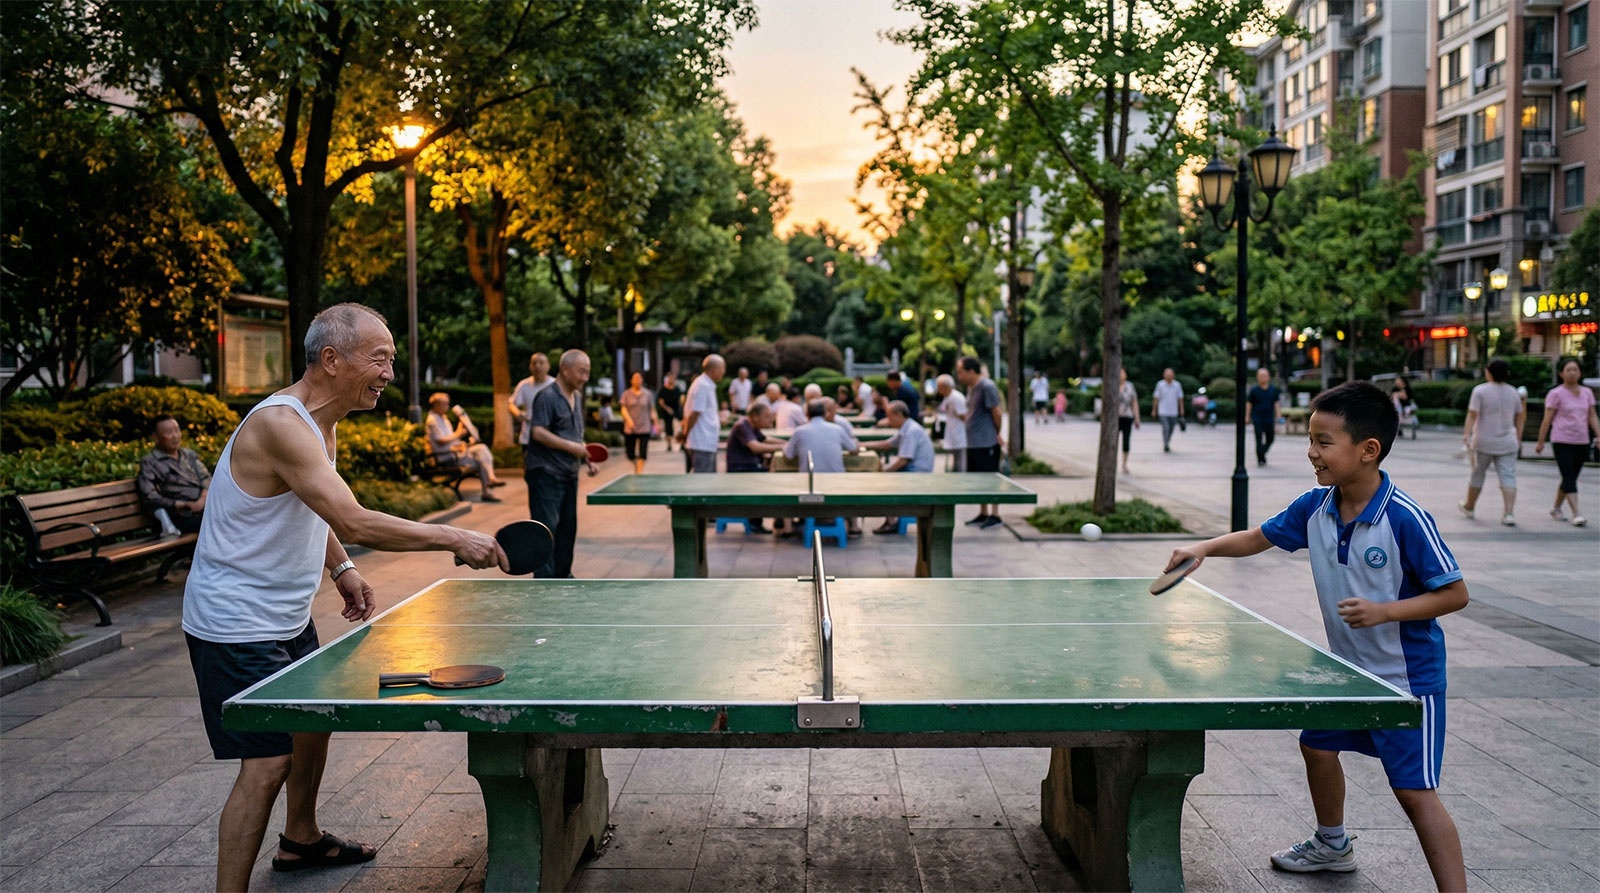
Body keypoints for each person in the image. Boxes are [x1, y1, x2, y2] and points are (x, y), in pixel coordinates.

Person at [182, 303, 505, 891]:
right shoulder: (281, 423)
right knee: (268, 762)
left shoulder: (319, 423)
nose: (389, 372)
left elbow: (315, 506)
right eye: (379, 358)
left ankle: (300, 841)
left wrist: (342, 568)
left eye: (391, 359)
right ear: (331, 360)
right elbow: (352, 516)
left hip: (281, 614)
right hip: (234, 622)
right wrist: (454, 535)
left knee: (312, 721)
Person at [1165, 381, 1468, 890]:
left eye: (1324, 442)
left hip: (1406, 682)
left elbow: (1455, 593)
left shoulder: (1405, 519)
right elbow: (1259, 537)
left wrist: (1384, 611)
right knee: (1317, 745)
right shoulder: (1315, 507)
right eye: (1311, 440)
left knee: (1414, 792)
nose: (1312, 452)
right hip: (1350, 673)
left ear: (1368, 450)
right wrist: (1204, 548)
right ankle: (1332, 845)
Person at [525, 350, 601, 578]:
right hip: (546, 474)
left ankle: (563, 575)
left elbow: (574, 436)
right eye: (582, 371)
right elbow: (538, 432)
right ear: (565, 369)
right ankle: (545, 583)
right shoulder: (546, 396)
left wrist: (586, 456)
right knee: (546, 530)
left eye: (588, 372)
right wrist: (573, 448)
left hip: (569, 473)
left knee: (568, 529)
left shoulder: (576, 397)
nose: (586, 377)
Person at [1459, 358, 1525, 526]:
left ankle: (1470, 506)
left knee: (1477, 473)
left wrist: (1466, 434)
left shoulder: (1480, 391)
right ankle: (1509, 513)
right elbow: (1520, 417)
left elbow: (1473, 414)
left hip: (1483, 441)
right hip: (1508, 441)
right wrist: (1519, 436)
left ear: (1488, 372)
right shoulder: (1514, 393)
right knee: (1508, 476)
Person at [1534, 358, 1600, 527]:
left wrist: (1598, 435)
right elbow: (1547, 419)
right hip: (1561, 439)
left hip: (1582, 440)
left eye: (1575, 369)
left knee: (1570, 477)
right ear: (1561, 373)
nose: (1572, 373)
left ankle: (1556, 508)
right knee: (1569, 475)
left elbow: (1592, 415)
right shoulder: (1556, 394)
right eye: (1568, 370)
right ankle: (1576, 513)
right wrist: (1541, 441)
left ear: (1580, 372)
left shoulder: (1586, 393)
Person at [866, 400, 936, 533]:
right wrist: (862, 445)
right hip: (912, 470)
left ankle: (891, 521)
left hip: (918, 474)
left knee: (883, 483)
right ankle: (891, 518)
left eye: (889, 416)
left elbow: (903, 460)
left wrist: (885, 473)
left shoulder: (911, 431)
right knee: (883, 477)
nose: (887, 420)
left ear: (898, 415)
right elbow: (888, 444)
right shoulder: (906, 427)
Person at [137, 414, 212, 534]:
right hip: (178, 517)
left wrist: (202, 500)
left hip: (204, 509)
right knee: (217, 523)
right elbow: (149, 496)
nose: (175, 436)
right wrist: (182, 504)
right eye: (168, 432)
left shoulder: (189, 455)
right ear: (155, 437)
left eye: (177, 430)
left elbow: (206, 478)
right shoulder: (150, 462)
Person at [426, 392, 503, 503]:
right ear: (436, 405)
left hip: (453, 453)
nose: (448, 406)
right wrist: (459, 433)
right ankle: (487, 489)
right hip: (446, 457)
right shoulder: (432, 421)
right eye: (445, 404)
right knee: (480, 459)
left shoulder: (443, 419)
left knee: (481, 449)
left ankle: (491, 479)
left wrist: (462, 442)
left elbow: (450, 439)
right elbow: (442, 441)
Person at [956, 356, 1004, 528]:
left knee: (990, 478)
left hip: (986, 442)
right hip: (974, 442)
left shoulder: (987, 386)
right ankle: (983, 513)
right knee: (979, 480)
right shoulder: (971, 388)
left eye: (961, 372)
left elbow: (996, 413)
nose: (959, 376)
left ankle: (995, 514)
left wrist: (996, 434)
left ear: (971, 371)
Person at [727, 401, 785, 533]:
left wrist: (789, 443)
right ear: (755, 417)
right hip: (741, 471)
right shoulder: (742, 426)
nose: (770, 419)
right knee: (777, 481)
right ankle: (759, 521)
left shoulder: (752, 427)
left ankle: (780, 519)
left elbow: (765, 439)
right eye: (766, 416)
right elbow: (755, 447)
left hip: (750, 468)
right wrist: (784, 447)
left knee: (778, 477)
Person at [678, 354, 726, 473]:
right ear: (714, 369)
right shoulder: (703, 385)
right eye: (722, 368)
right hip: (701, 442)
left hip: (706, 441)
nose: (723, 372)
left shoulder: (706, 384)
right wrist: (685, 434)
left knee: (708, 480)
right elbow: (694, 413)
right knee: (704, 481)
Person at [783, 399, 848, 474]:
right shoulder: (838, 429)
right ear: (825, 413)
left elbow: (787, 456)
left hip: (809, 481)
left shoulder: (799, 431)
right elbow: (854, 448)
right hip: (837, 480)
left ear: (807, 414)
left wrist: (786, 446)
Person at [508, 352, 553, 447]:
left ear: (548, 366)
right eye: (534, 363)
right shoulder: (524, 385)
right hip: (528, 437)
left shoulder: (555, 385)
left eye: (541, 363)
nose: (537, 366)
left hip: (551, 437)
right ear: (530, 367)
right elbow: (511, 404)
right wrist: (518, 413)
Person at [618, 371, 657, 475]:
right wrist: (629, 420)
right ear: (631, 380)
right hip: (630, 428)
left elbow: (652, 409)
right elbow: (623, 409)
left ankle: (639, 473)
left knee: (643, 453)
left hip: (644, 426)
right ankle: (636, 466)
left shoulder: (648, 394)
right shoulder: (626, 394)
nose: (637, 380)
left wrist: (656, 422)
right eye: (635, 378)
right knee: (630, 453)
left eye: (639, 378)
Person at [1247, 368, 1282, 466]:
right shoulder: (1254, 390)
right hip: (1257, 417)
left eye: (1265, 376)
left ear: (1269, 377)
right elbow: (1249, 404)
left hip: (1269, 418)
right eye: (1261, 376)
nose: (1263, 378)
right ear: (1257, 378)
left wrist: (1278, 417)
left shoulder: (1273, 390)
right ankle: (1260, 458)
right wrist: (1247, 416)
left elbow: (1276, 404)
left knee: (1270, 438)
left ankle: (1261, 453)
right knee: (1258, 439)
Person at [936, 374, 968, 472]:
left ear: (944, 387)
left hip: (959, 434)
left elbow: (964, 416)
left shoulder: (956, 398)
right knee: (955, 460)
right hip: (953, 433)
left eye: (939, 387)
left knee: (960, 462)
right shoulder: (948, 397)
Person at [1152, 367, 1185, 453]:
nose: (1169, 376)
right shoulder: (1160, 384)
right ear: (1164, 375)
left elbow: (1180, 398)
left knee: (1171, 428)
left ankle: (1167, 442)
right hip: (1163, 411)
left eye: (1170, 374)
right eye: (1167, 374)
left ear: (1173, 375)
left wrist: (1181, 409)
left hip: (1173, 411)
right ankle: (1165, 444)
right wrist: (1154, 410)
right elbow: (1156, 398)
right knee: (1166, 427)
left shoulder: (1177, 385)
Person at [1115, 367, 1140, 474]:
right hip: (1114, 418)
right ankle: (1112, 462)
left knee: (1126, 441)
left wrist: (1137, 417)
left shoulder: (1130, 386)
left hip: (1127, 417)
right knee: (1113, 442)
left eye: (1123, 372)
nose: (1121, 374)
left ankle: (1124, 464)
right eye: (1119, 373)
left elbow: (1134, 402)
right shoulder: (1112, 385)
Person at [656, 372, 682, 452]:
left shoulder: (677, 389)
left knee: (678, 428)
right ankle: (669, 444)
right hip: (667, 412)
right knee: (668, 429)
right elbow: (661, 402)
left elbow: (681, 399)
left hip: (676, 410)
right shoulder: (663, 390)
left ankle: (680, 443)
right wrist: (667, 409)